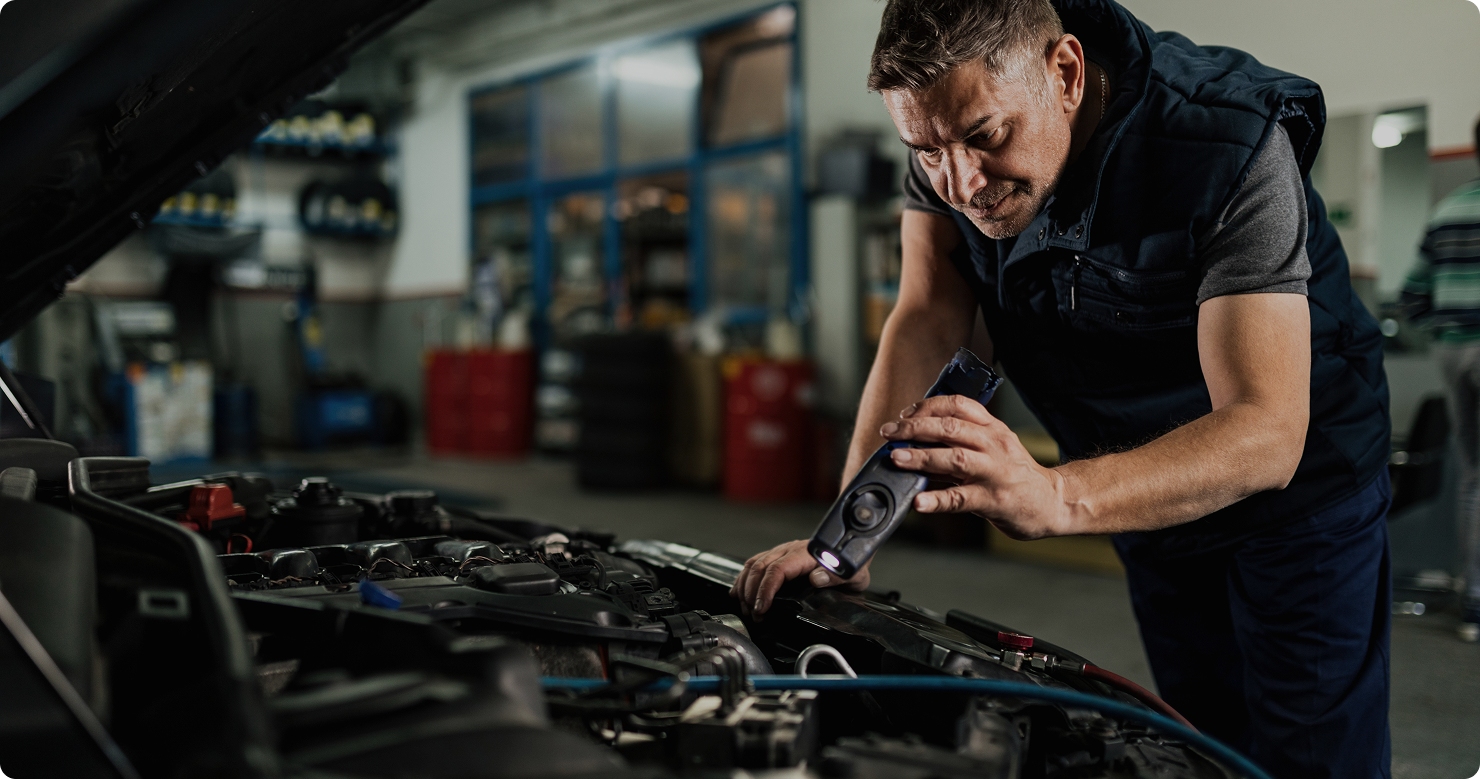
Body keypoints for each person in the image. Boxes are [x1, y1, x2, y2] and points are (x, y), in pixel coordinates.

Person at [730, 1, 1392, 776]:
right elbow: (927, 315)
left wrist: (1056, 496)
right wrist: (848, 537)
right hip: (1145, 489)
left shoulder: (1228, 144)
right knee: (1206, 744)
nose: (962, 183)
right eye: (927, 150)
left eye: (987, 138)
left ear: (1067, 74)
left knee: (1310, 756)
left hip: (1301, 502)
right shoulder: (947, 144)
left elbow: (1267, 430)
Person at [1400, 115, 1480, 644]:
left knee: (1474, 477)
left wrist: (1444, 337)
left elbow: (1412, 297)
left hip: (1456, 353)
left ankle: (1474, 599)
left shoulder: (1449, 210)